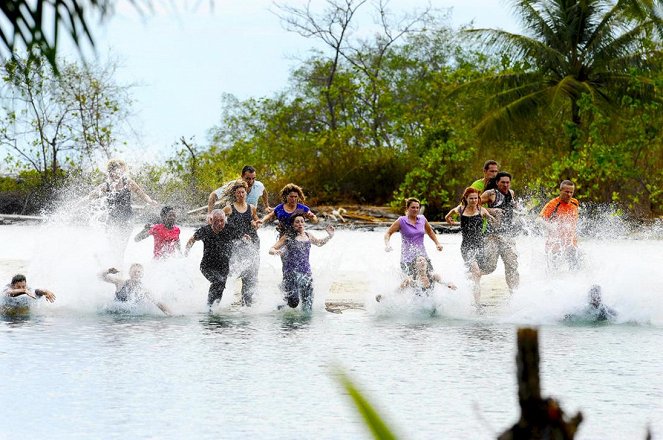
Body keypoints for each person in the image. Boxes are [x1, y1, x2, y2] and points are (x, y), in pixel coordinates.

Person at [85, 159, 159, 265]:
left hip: (127, 220)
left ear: (121, 171)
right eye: (110, 171)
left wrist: (150, 201)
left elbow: (142, 194)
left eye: (116, 171)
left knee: (121, 249)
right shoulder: (106, 186)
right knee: (114, 247)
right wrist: (76, 205)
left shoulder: (127, 182)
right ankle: (109, 265)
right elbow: (89, 197)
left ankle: (119, 269)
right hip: (112, 220)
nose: (112, 173)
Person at [269, 216, 334, 312]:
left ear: (304, 223)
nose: (300, 224)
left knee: (307, 305)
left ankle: (305, 325)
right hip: (291, 273)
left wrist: (330, 236)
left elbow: (319, 243)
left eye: (302, 221)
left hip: (306, 273)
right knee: (293, 303)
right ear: (293, 224)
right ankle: (281, 306)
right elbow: (271, 249)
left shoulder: (308, 235)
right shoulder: (288, 236)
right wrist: (275, 251)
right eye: (297, 222)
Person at [445, 187, 496, 304]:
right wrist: (449, 220)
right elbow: (449, 214)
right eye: (471, 198)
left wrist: (494, 220)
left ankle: (460, 280)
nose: (474, 201)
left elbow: (492, 220)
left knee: (477, 275)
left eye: (476, 198)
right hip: (466, 246)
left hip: (480, 246)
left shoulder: (482, 210)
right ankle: (477, 304)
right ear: (466, 199)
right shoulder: (461, 209)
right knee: (476, 272)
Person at [185, 209, 235, 309]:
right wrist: (186, 253)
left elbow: (241, 235)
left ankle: (214, 308)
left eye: (222, 220)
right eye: (217, 221)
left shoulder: (229, 229)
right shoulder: (205, 230)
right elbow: (192, 239)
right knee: (217, 282)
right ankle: (209, 307)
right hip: (207, 266)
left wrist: (246, 237)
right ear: (211, 220)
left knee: (221, 286)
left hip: (224, 266)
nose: (220, 223)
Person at [479, 172, 520, 292]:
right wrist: (491, 210)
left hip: (507, 235)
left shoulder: (511, 193)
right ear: (497, 183)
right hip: (492, 236)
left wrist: (518, 208)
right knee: (490, 267)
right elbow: (475, 206)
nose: (506, 185)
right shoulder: (491, 194)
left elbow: (512, 206)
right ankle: (472, 275)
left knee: (512, 266)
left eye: (508, 182)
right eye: (503, 182)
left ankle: (515, 294)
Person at [223, 180, 261, 306]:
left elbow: (256, 221)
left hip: (252, 243)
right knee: (233, 271)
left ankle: (247, 303)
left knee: (250, 274)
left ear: (246, 193)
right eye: (238, 192)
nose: (241, 194)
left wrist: (256, 223)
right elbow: (220, 222)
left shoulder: (252, 208)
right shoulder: (229, 208)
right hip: (235, 244)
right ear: (235, 194)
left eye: (243, 192)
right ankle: (225, 298)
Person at [384, 197, 443, 277]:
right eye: (413, 207)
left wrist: (437, 243)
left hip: (422, 256)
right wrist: (387, 244)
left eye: (417, 208)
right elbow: (388, 233)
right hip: (408, 258)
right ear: (407, 208)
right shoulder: (401, 221)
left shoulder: (422, 219)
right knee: (411, 283)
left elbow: (430, 231)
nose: (415, 209)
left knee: (431, 279)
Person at [539, 180, 580, 271]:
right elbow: (539, 219)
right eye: (566, 192)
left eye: (571, 192)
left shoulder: (575, 202)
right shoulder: (553, 204)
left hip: (571, 244)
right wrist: (551, 227)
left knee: (576, 270)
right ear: (560, 191)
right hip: (555, 245)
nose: (569, 194)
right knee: (554, 271)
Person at [100, 264, 171, 315]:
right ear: (129, 273)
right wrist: (108, 271)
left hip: (129, 317)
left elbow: (158, 303)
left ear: (142, 275)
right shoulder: (120, 282)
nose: (136, 274)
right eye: (134, 272)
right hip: (113, 314)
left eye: (139, 272)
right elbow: (101, 276)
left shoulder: (143, 290)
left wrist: (171, 315)